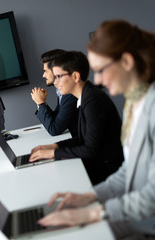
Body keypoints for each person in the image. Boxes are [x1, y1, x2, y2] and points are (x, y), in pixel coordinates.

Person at [37, 20, 155, 239]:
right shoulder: (134, 103)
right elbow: (128, 170)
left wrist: (93, 213)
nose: (97, 80)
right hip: (135, 212)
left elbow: (151, 198)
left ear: (127, 61)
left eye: (100, 70)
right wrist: (89, 197)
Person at [29, 51, 124, 185]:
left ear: (75, 76)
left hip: (108, 171)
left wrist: (53, 154)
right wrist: (53, 146)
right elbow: (82, 138)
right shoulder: (86, 97)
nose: (56, 82)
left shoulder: (92, 100)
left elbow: (90, 148)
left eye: (59, 77)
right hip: (102, 165)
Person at [31, 49, 79, 137]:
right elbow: (56, 119)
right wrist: (42, 103)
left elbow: (54, 129)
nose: (43, 75)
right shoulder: (63, 92)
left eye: (46, 71)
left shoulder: (71, 94)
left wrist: (40, 103)